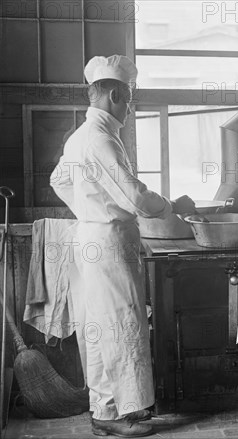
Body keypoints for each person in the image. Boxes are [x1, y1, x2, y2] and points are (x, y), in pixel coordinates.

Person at [50, 55, 196, 437]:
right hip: (109, 242)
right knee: (120, 325)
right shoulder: (101, 139)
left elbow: (58, 180)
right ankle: (117, 413)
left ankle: (107, 410)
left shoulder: (81, 136)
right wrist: (171, 206)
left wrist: (89, 208)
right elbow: (135, 197)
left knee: (98, 328)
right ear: (115, 93)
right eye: (129, 99)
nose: (130, 108)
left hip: (91, 237)